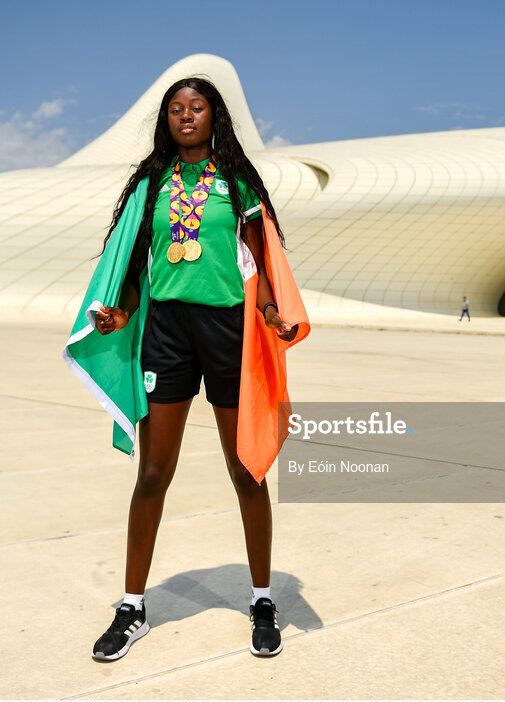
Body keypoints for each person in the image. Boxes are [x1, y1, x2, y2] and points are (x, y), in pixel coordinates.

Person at [62, 77, 309, 662]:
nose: (186, 116)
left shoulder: (236, 182)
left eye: (196, 107)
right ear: (166, 120)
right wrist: (118, 312)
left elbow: (262, 255)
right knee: (153, 473)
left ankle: (263, 599)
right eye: (176, 109)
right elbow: (131, 260)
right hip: (167, 332)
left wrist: (273, 311)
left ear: (213, 115)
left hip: (227, 332)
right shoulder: (151, 184)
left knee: (246, 471)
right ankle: (132, 608)